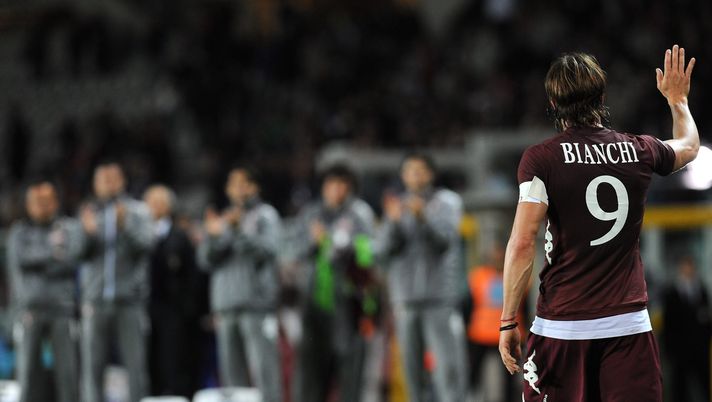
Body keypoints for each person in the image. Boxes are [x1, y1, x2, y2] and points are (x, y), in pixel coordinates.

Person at [498, 46, 699, 402]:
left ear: (553, 103)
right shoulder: (638, 149)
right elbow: (689, 146)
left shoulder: (541, 159)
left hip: (562, 327)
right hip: (629, 327)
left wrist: (508, 320)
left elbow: (523, 243)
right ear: (602, 97)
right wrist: (678, 100)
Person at [377, 153, 468, 402]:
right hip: (405, 299)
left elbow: (445, 241)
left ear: (430, 174)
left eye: (420, 170)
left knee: (447, 370)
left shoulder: (447, 202)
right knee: (411, 372)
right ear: (403, 175)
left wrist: (423, 218)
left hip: (439, 298)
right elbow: (382, 250)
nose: (414, 175)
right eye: (409, 170)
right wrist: (394, 223)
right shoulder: (397, 206)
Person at [292, 164, 378, 402]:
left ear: (349, 188)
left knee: (350, 372)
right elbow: (292, 251)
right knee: (311, 374)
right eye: (331, 184)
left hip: (349, 302)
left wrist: (330, 244)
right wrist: (313, 242)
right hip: (314, 302)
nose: (336, 190)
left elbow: (368, 254)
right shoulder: (310, 214)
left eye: (342, 185)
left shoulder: (360, 214)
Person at [197, 166, 282, 402]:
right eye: (233, 184)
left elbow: (270, 249)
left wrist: (236, 232)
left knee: (265, 373)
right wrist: (214, 238)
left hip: (256, 305)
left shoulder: (266, 215)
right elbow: (204, 260)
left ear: (255, 187)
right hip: (226, 306)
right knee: (232, 379)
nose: (237, 189)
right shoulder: (223, 219)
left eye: (243, 183)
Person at [79, 162, 154, 402]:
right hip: (95, 300)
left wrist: (125, 227)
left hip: (129, 301)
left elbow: (147, 245)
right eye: (103, 179)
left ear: (122, 181)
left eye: (113, 179)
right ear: (95, 184)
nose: (108, 184)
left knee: (135, 366)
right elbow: (75, 254)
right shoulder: (88, 213)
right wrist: (87, 234)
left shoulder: (139, 212)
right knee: (92, 367)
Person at [6, 180, 83, 402]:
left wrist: (39, 258)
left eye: (47, 201)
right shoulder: (19, 232)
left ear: (56, 203)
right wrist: (53, 251)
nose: (42, 206)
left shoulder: (68, 228)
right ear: (28, 205)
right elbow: (21, 260)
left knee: (68, 374)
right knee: (27, 373)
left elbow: (71, 261)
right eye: (37, 201)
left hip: (62, 309)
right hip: (30, 310)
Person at [144, 185, 207, 398]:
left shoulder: (180, 236)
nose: (155, 207)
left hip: (174, 312)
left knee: (175, 364)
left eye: (160, 202)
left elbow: (193, 274)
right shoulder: (139, 234)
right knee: (149, 364)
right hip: (145, 309)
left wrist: (188, 309)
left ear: (169, 207)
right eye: (151, 202)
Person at [465, 242, 522, 402]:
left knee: (510, 376)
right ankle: (472, 397)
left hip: (507, 332)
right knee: (473, 373)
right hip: (480, 334)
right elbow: (469, 305)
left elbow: (525, 307)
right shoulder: (478, 276)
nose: (497, 259)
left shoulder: (516, 277)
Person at [662, 256, 711, 402]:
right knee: (679, 385)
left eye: (690, 266)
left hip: (699, 347)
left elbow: (706, 317)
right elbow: (668, 324)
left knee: (703, 382)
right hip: (680, 349)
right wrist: (670, 348)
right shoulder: (672, 293)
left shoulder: (701, 290)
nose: (688, 270)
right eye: (685, 266)